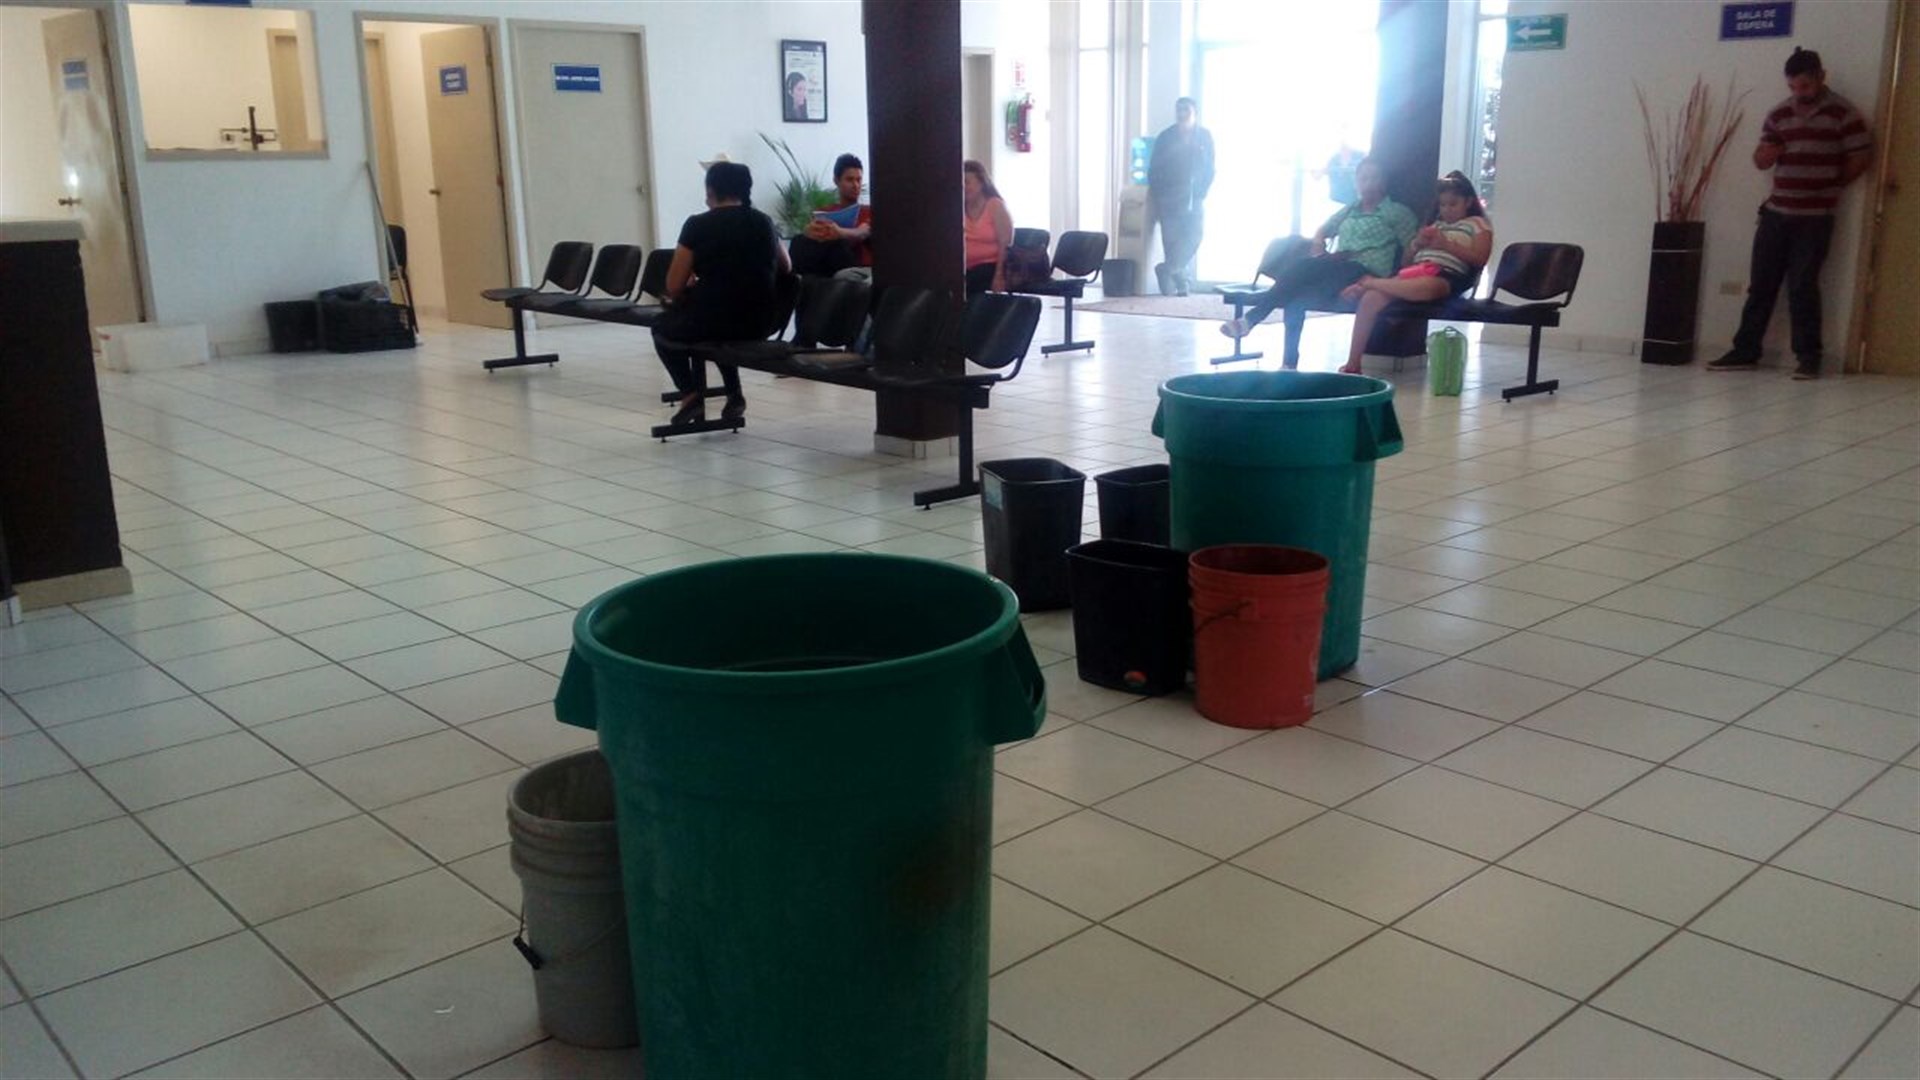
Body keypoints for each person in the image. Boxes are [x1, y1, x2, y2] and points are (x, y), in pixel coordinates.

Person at [1709, 47, 1873, 380]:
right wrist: (1767, 154)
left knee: (1803, 287)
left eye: (1806, 86)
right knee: (1761, 285)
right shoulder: (1779, 114)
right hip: (1776, 213)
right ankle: (1745, 350)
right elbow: (1760, 160)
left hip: (1815, 217)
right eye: (1794, 87)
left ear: (1821, 77)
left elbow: (1861, 156)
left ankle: (1809, 357)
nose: (1800, 93)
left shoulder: (1843, 113)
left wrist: (1833, 184)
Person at [1218, 157, 1419, 368]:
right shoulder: (1351, 209)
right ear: (1356, 182)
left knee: (1301, 271)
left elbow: (1410, 251)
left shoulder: (1397, 213)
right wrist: (1318, 242)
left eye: (1374, 178)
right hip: (1337, 268)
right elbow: (1323, 229)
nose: (1368, 183)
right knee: (1296, 295)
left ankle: (1250, 320)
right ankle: (1288, 364)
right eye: (1363, 178)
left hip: (1366, 272)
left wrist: (1394, 283)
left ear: (1383, 182)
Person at [655, 161, 790, 426]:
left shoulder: (697, 225)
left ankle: (690, 395)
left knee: (661, 327)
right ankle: (734, 394)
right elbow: (786, 266)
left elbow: (674, 285)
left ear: (711, 190)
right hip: (761, 321)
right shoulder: (763, 221)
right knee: (721, 329)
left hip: (713, 320)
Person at [1336, 171, 1493, 374]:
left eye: (1453, 204)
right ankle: (1353, 362)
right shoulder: (1436, 225)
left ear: (1468, 202)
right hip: (1415, 271)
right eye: (1443, 205)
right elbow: (1405, 262)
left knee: (1426, 286)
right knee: (1371, 299)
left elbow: (1480, 258)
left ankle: (1369, 282)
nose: (1447, 210)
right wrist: (1417, 244)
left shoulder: (1477, 224)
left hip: (1447, 275)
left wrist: (1446, 245)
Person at [1147, 97, 1215, 296]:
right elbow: (1154, 168)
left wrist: (1202, 190)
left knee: (1194, 236)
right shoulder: (1165, 137)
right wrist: (1159, 193)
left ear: (1195, 113)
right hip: (1169, 197)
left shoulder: (1204, 136)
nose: (1182, 113)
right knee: (1172, 241)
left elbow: (1210, 167)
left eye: (1186, 110)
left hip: (1194, 196)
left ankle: (1167, 269)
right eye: (1179, 109)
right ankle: (1182, 284)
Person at [962, 159, 1012, 297]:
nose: (963, 187)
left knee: (968, 284)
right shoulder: (959, 207)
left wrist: (999, 275)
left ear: (981, 183)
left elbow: (1005, 244)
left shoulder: (995, 206)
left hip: (991, 266)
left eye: (967, 182)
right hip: (965, 267)